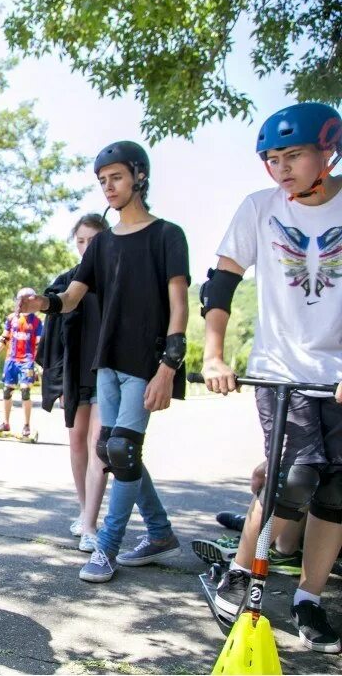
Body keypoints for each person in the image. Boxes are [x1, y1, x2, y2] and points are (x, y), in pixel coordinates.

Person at [199, 101, 342, 653]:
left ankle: (309, 596)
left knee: (336, 490)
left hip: (336, 375)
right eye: (272, 158)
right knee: (295, 476)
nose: (282, 168)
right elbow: (221, 283)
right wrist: (214, 355)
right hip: (282, 370)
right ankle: (237, 573)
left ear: (327, 152)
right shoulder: (259, 208)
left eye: (294, 155)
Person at [20, 140, 188, 583]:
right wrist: (42, 302)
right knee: (112, 450)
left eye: (116, 178)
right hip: (107, 361)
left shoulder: (168, 235)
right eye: (102, 181)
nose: (108, 187)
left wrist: (169, 366)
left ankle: (106, 548)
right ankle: (159, 531)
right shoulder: (102, 245)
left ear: (139, 176)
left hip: (146, 361)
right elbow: (72, 298)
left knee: (122, 449)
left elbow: (179, 303)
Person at [39, 213, 110, 552]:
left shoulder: (116, 280)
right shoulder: (66, 282)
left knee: (100, 445)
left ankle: (92, 524)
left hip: (108, 374)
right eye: (80, 241)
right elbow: (52, 338)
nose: (85, 247)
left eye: (92, 241)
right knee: (77, 442)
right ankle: (84, 511)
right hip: (75, 374)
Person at [0, 289, 43, 440]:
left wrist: (40, 363)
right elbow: (4, 338)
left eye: (26, 300)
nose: (22, 303)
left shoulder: (37, 322)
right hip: (11, 360)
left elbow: (39, 345)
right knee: (7, 391)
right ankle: (6, 423)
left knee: (25, 391)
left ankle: (26, 425)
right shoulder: (11, 318)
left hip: (27, 361)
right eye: (20, 300)